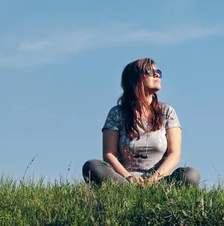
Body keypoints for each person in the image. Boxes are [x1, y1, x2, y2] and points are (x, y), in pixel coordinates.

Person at [82, 58, 200, 186]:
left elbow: (174, 153)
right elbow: (109, 154)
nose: (156, 75)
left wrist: (154, 179)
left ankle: (157, 192)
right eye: (149, 71)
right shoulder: (117, 113)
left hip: (159, 181)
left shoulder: (167, 112)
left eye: (158, 72)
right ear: (134, 79)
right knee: (92, 166)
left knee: (191, 174)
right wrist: (129, 178)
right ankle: (126, 192)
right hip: (125, 180)